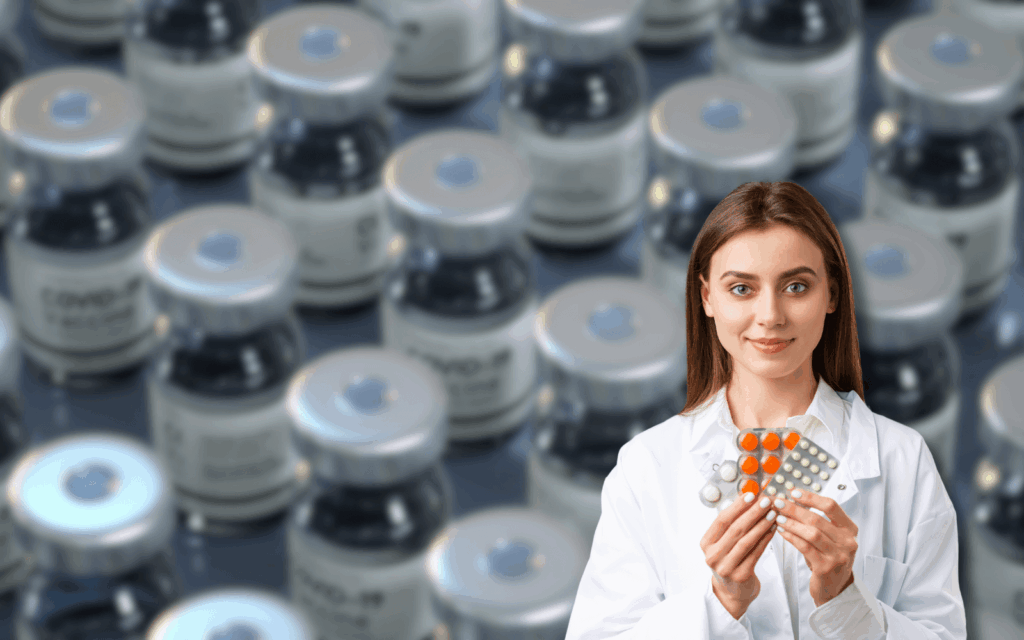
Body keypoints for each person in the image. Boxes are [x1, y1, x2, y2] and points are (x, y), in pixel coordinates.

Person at [564, 181, 966, 639]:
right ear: (706, 298)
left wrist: (845, 601)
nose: (770, 315)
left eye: (796, 286)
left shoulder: (902, 459)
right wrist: (720, 602)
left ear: (831, 295)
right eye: (741, 289)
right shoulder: (648, 466)